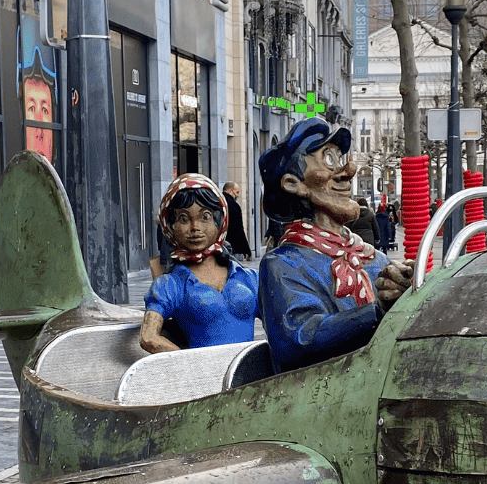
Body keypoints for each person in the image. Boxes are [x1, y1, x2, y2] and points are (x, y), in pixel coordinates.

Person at [256, 118, 412, 372]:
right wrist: (375, 313)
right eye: (328, 160)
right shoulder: (284, 264)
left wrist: (410, 290)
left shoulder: (375, 260)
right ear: (293, 183)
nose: (347, 171)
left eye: (340, 157)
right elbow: (297, 342)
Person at [139, 175, 259, 353]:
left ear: (220, 221)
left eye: (205, 217)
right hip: (206, 377)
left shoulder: (248, 277)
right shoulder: (170, 285)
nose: (195, 227)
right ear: (170, 226)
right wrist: (193, 365)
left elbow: (278, 324)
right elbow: (148, 337)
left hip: (250, 373)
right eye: (183, 219)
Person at [221, 182, 252, 259]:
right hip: (234, 247)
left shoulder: (216, 202)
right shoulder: (234, 206)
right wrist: (247, 250)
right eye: (237, 192)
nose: (238, 195)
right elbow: (239, 229)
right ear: (230, 191)